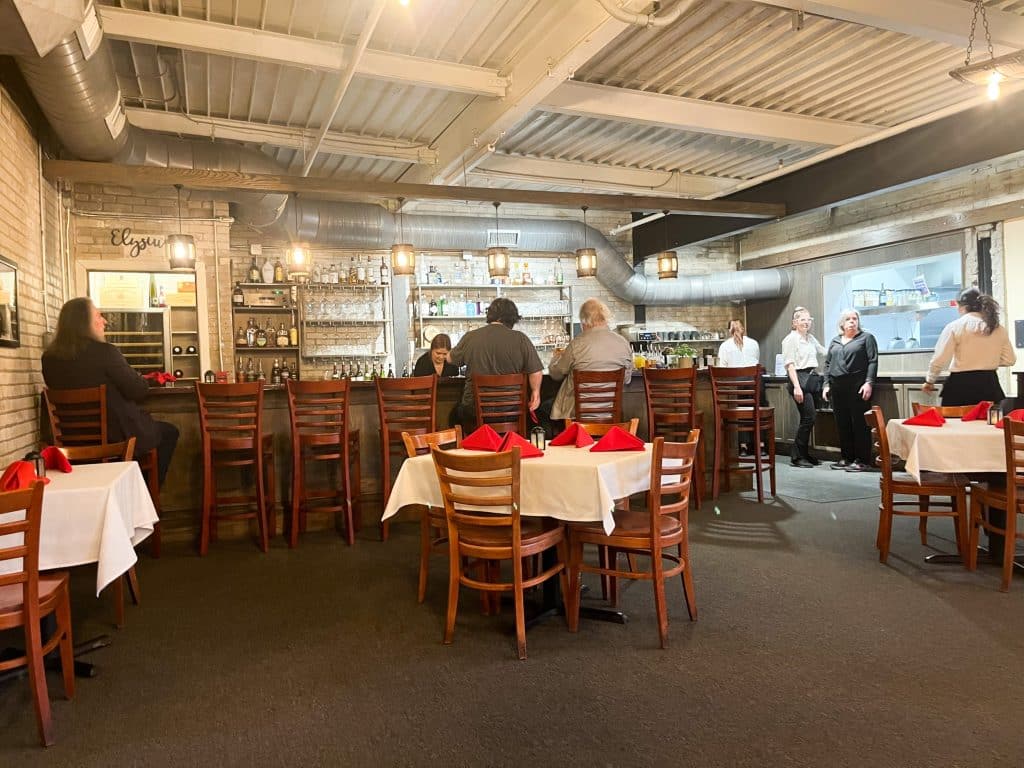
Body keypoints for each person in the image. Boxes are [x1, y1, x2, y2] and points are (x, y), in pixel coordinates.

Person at [42, 297, 179, 486]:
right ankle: (143, 494)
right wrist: (141, 379)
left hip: (71, 442)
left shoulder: (48, 359)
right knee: (169, 432)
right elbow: (137, 390)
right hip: (116, 440)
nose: (104, 321)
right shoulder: (105, 352)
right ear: (84, 323)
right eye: (99, 316)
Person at [448, 297, 543, 430]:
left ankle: (470, 441)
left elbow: (450, 359)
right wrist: (535, 392)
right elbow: (536, 371)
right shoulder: (521, 339)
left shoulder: (471, 337)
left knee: (454, 414)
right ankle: (511, 441)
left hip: (475, 410)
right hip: (512, 410)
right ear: (511, 319)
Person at [923, 287, 1016, 407]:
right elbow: (1010, 360)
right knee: (988, 419)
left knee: (956, 419)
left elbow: (939, 358)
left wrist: (930, 381)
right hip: (990, 385)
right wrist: (986, 360)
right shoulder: (998, 328)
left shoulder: (954, 327)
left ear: (962, 306)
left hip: (960, 386)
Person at [548, 298, 633, 421]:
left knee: (544, 409)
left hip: (578, 415)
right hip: (611, 414)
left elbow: (557, 374)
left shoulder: (577, 344)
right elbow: (627, 379)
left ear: (584, 321)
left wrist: (555, 358)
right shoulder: (623, 343)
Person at [822, 310, 878, 472]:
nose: (852, 321)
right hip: (837, 386)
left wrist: (869, 382)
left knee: (860, 423)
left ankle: (862, 460)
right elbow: (827, 364)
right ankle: (847, 457)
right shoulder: (835, 341)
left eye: (855, 318)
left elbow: (873, 361)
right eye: (848, 319)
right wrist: (826, 384)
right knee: (842, 423)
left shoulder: (866, 338)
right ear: (842, 323)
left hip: (857, 385)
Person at [782, 306, 827, 468]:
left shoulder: (810, 338)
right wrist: (796, 387)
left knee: (808, 418)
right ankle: (796, 456)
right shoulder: (790, 339)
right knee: (809, 417)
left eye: (809, 319)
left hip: (810, 379)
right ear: (794, 323)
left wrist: (842, 345)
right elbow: (790, 365)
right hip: (799, 379)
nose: (806, 322)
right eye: (802, 319)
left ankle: (804, 454)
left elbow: (824, 352)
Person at [718, 319, 767, 456]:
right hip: (756, 383)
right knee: (758, 411)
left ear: (729, 330)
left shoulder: (724, 346)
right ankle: (761, 445)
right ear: (743, 328)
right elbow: (756, 361)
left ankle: (742, 446)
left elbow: (722, 368)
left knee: (739, 413)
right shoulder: (754, 343)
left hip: (736, 385)